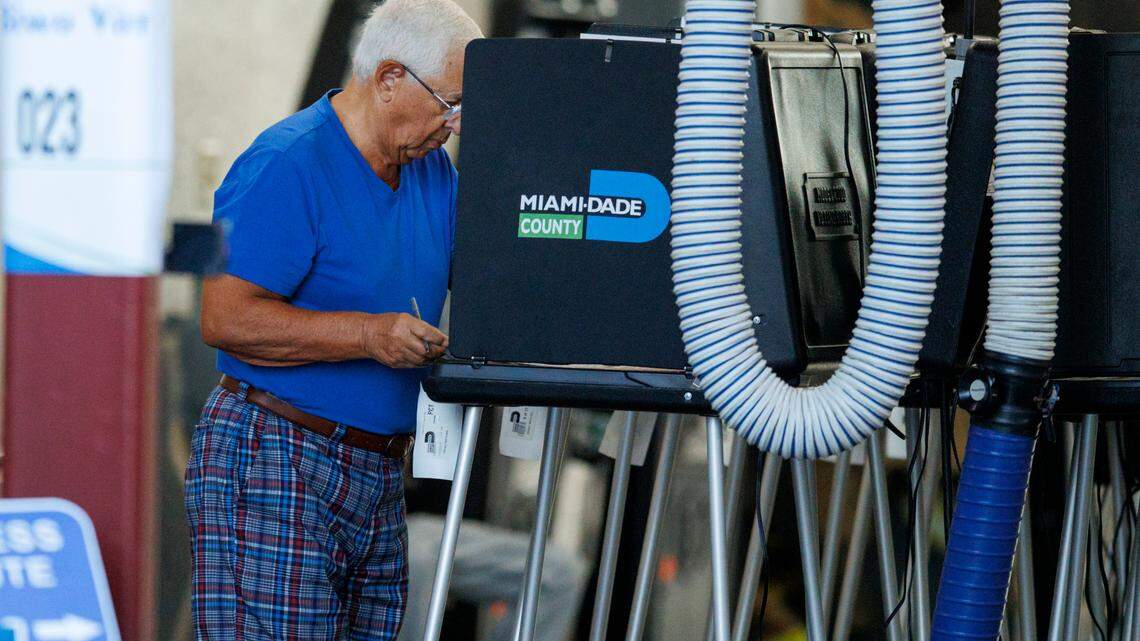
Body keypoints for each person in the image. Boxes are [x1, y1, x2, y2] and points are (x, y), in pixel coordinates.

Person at [183, 0, 482, 638]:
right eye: (448, 103)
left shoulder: (431, 175)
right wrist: (370, 335)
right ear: (390, 77)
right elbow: (225, 316)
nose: (455, 125)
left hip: (375, 472)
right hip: (277, 456)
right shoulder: (289, 162)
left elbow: (487, 275)